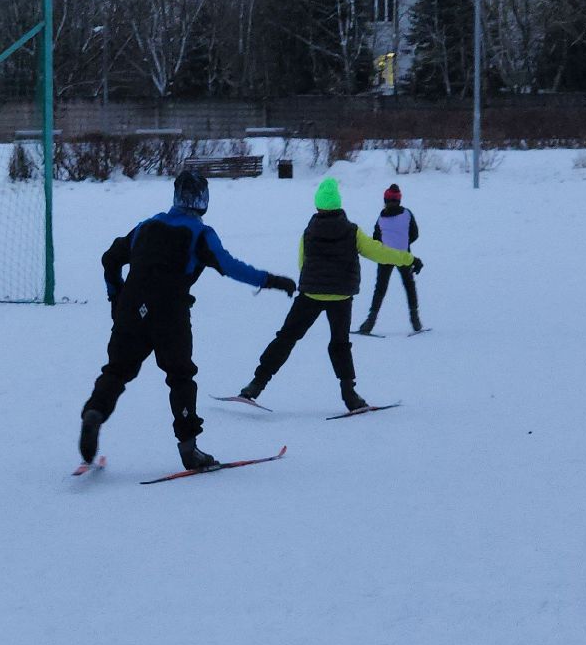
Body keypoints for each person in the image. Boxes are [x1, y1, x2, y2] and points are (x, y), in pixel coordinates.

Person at [79, 171, 296, 471]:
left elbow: (110, 259)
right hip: (169, 313)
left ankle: (94, 413)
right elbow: (229, 266)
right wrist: (271, 281)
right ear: (203, 201)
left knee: (116, 371)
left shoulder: (146, 226)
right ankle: (189, 449)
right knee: (180, 377)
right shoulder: (199, 234)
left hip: (131, 310)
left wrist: (116, 297)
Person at [237, 177, 422, 412]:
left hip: (310, 295)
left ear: (318, 206)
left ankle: (256, 385)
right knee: (340, 345)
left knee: (286, 338)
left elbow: (302, 263)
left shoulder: (308, 232)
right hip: (341, 298)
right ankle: (350, 396)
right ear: (338, 205)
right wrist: (408, 258)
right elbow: (379, 252)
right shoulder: (353, 231)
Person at [360, 182, 422, 335]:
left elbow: (375, 238)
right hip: (404, 256)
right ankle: (415, 321)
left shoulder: (381, 217)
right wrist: (404, 243)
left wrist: (386, 246)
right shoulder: (407, 214)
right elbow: (415, 233)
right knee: (409, 286)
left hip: (385, 256)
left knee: (380, 289)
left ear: (385, 200)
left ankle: (369, 323)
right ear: (399, 200)